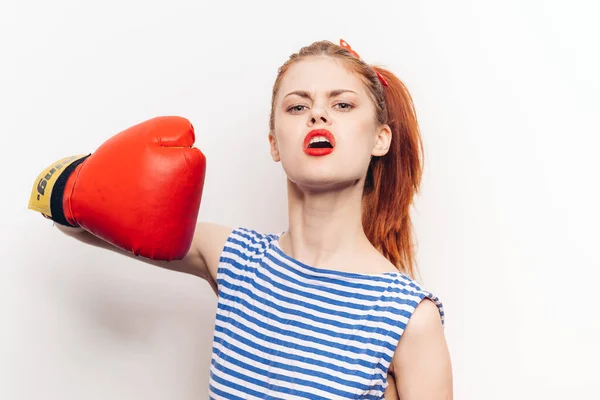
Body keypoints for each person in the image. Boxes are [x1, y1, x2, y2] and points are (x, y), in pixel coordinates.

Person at [32, 39, 453, 399]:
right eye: (296, 106)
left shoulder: (407, 317)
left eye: (342, 104)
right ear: (274, 143)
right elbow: (74, 221)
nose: (318, 116)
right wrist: (94, 181)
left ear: (380, 139)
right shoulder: (237, 259)